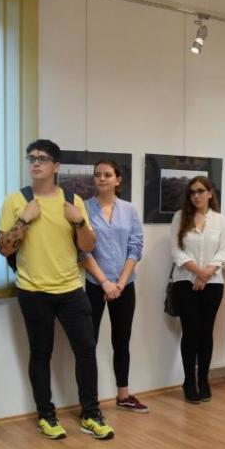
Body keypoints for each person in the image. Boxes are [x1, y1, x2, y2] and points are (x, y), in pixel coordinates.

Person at [0, 139, 114, 440]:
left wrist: (79, 222)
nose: (36, 163)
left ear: (56, 166)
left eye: (43, 158)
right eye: (32, 158)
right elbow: (3, 247)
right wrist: (24, 219)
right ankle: (46, 416)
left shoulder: (73, 201)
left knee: (86, 351)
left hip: (71, 289)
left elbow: (88, 246)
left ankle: (91, 414)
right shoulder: (16, 201)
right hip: (33, 290)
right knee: (40, 353)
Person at [82, 160, 145, 412]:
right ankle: (90, 401)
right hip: (95, 284)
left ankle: (123, 395)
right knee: (89, 343)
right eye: (97, 174)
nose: (101, 178)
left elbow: (135, 247)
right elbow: (82, 250)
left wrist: (119, 282)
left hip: (124, 284)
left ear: (118, 180)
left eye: (107, 174)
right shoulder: (84, 208)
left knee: (122, 341)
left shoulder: (129, 210)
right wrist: (105, 282)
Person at [170, 176, 225, 403]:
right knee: (190, 332)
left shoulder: (220, 220)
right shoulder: (179, 217)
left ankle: (203, 380)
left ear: (210, 193)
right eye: (192, 192)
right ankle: (188, 381)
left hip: (213, 284)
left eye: (201, 191)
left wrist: (206, 275)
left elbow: (222, 252)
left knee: (206, 333)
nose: (196, 196)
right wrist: (198, 273)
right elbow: (176, 252)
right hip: (185, 282)